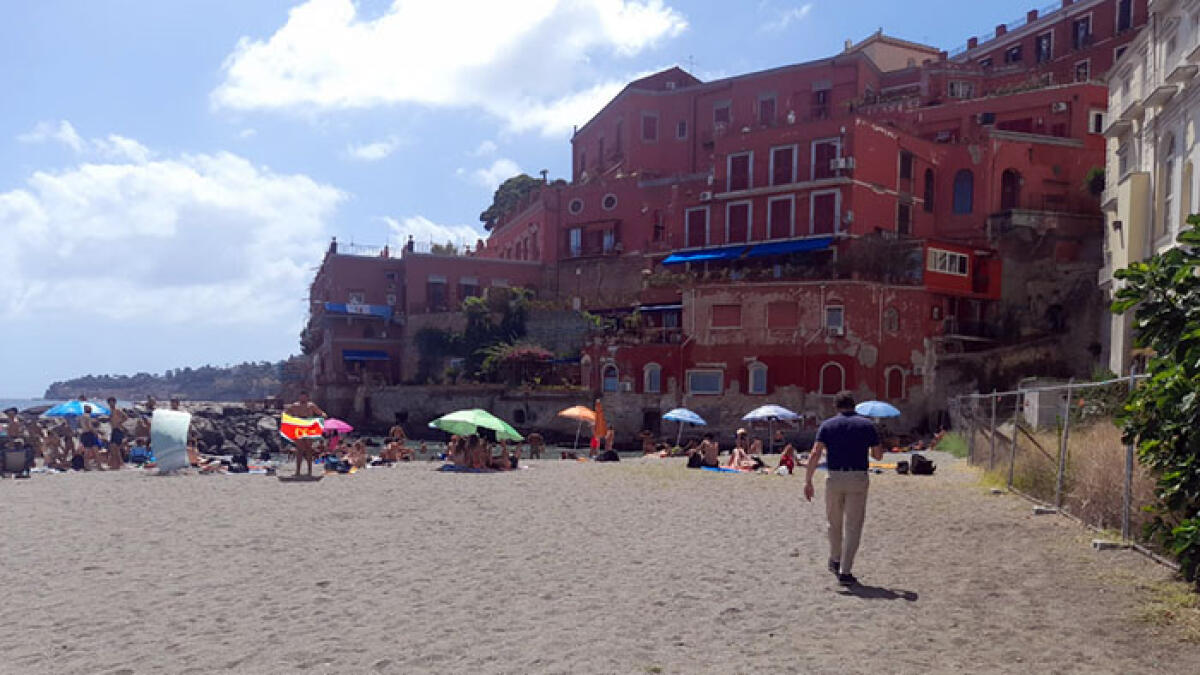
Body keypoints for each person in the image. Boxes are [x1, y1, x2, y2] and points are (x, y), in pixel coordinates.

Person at [804, 392, 884, 587]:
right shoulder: (867, 426)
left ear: (836, 406)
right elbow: (878, 456)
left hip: (834, 476)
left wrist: (808, 480)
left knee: (834, 522)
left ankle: (835, 557)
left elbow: (815, 453)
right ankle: (845, 571)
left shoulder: (827, 426)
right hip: (857, 476)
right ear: (854, 405)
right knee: (853, 525)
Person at [284, 390, 327, 477]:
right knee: (299, 450)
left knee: (308, 449)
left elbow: (320, 412)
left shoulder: (311, 405)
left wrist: (323, 415)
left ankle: (309, 471)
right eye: (301, 396)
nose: (302, 398)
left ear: (307, 397)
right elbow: (286, 413)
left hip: (308, 426)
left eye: (304, 396)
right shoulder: (295, 405)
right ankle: (298, 471)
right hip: (299, 426)